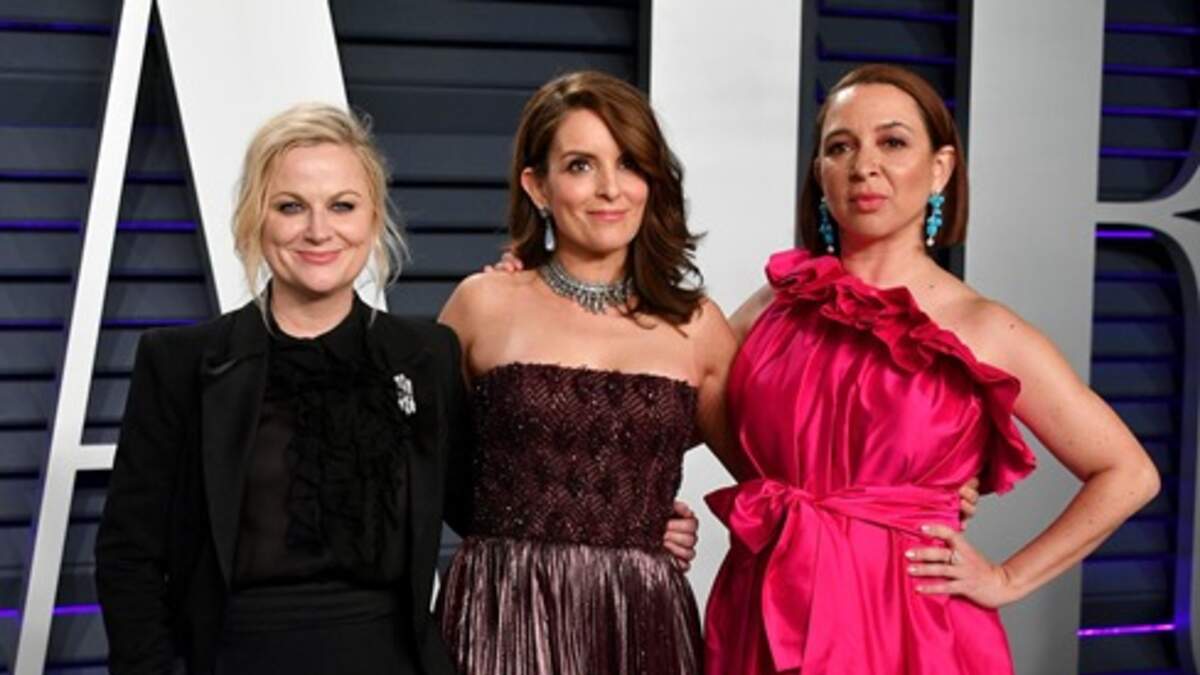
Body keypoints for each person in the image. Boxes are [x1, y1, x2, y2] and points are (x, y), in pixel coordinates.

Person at [704, 64, 1161, 674]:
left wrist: (1007, 578)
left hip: (911, 626)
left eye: (893, 142)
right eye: (841, 147)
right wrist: (649, 515)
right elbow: (668, 403)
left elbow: (1128, 473)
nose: (865, 166)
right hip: (770, 608)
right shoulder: (774, 304)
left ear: (940, 168)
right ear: (820, 173)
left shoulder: (982, 327)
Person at [94, 104, 469, 675]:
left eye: (342, 205)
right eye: (291, 206)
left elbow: (488, 510)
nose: (319, 230)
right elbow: (129, 556)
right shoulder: (180, 362)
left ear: (373, 219)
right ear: (255, 219)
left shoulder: (427, 356)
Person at [435, 70, 745, 675]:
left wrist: (924, 502)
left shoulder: (697, 326)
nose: (610, 189)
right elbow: (417, 473)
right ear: (538, 186)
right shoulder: (482, 304)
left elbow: (781, 487)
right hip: (503, 613)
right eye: (580, 165)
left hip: (640, 620)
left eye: (629, 164)